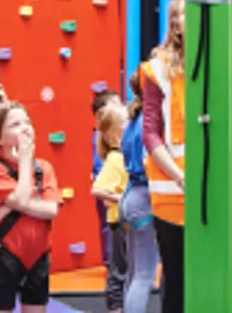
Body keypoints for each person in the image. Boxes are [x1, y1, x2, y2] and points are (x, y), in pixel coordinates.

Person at [0, 101, 63, 313]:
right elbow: (21, 197)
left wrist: (11, 206)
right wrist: (25, 159)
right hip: (5, 255)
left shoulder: (44, 168)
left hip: (38, 257)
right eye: (15, 124)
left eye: (27, 122)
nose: (26, 128)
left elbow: (51, 210)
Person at [140, 0, 189, 310]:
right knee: (177, 280)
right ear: (175, 24)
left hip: (221, 194)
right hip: (172, 195)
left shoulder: (225, 61)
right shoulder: (157, 71)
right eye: (184, 13)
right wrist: (179, 175)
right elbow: (150, 132)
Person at [120, 68, 159, 313]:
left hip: (131, 197)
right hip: (145, 197)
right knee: (145, 275)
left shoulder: (133, 121)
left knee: (134, 271)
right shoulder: (149, 122)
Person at [91, 98, 132, 312]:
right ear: (113, 133)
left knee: (127, 270)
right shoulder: (116, 158)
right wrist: (123, 198)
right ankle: (115, 308)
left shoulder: (125, 155)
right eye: (126, 121)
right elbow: (98, 189)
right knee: (119, 271)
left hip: (128, 221)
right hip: (120, 222)